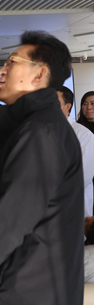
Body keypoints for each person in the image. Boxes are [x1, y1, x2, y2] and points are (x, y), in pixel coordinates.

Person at [0, 31, 83, 305]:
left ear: (39, 74)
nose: (2, 71)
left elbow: (10, 218)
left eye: (12, 62)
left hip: (29, 301)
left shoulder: (40, 132)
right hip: (29, 295)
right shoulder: (33, 125)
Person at [57, 86, 94, 218]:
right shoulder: (41, 132)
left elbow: (82, 175)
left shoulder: (84, 135)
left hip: (71, 204)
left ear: (68, 106)